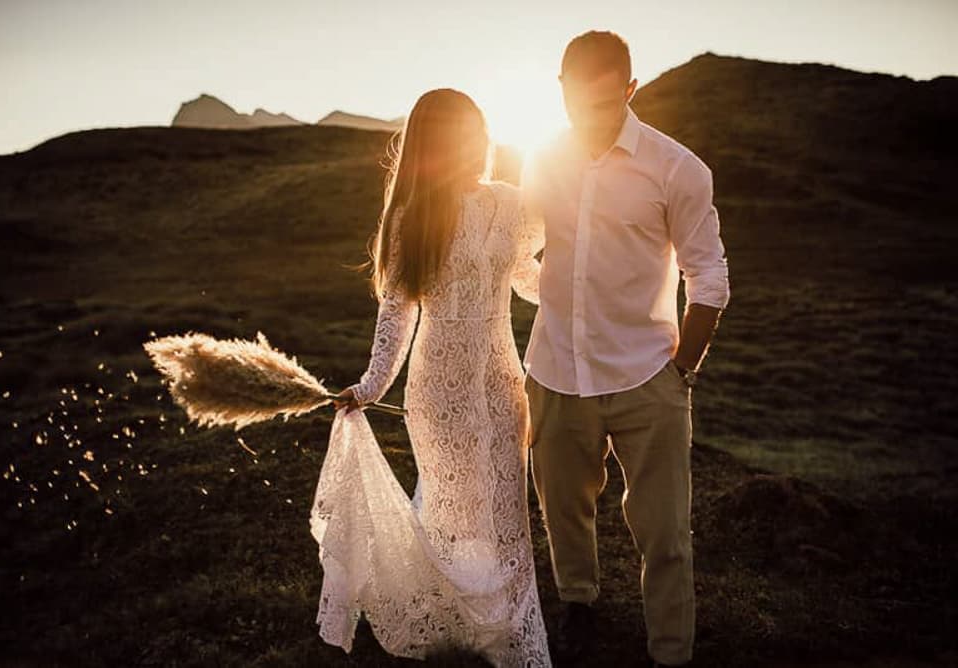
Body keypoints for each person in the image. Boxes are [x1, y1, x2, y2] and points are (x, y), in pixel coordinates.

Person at [313, 88, 551, 667]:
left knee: (505, 511)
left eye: (480, 129)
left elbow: (525, 278)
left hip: (499, 381)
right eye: (461, 134)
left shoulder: (512, 202)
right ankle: (459, 630)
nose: (476, 143)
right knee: (452, 511)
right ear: (436, 144)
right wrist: (370, 386)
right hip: (436, 384)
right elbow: (397, 312)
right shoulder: (411, 218)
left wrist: (583, 290)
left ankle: (513, 642)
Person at [520, 30, 731, 667]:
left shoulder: (678, 169)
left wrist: (679, 372)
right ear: (559, 91)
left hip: (648, 376)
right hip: (555, 371)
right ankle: (578, 606)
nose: (589, 119)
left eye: (605, 104)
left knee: (665, 532)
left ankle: (671, 650)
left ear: (631, 89)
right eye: (576, 104)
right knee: (562, 511)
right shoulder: (540, 159)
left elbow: (711, 277)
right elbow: (524, 249)